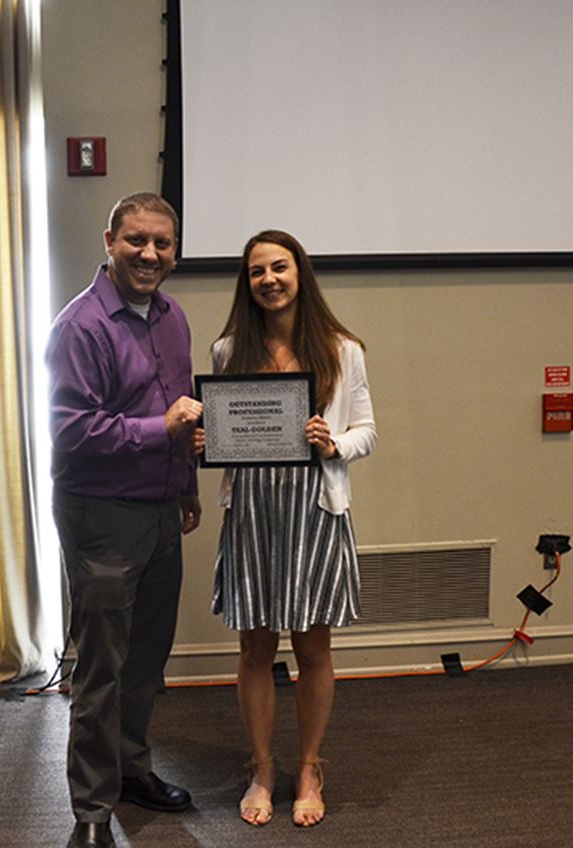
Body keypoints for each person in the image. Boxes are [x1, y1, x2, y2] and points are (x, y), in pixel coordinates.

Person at [193, 229, 376, 828]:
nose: (268, 280)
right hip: (252, 513)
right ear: (246, 283)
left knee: (313, 647)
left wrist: (333, 443)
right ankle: (263, 768)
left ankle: (309, 766)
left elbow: (367, 431)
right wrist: (207, 441)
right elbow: (225, 431)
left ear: (300, 274)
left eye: (279, 268)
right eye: (257, 272)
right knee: (255, 648)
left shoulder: (342, 350)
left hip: (314, 513)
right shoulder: (228, 350)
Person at [46, 192, 204, 848]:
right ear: (109, 241)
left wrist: (187, 485)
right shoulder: (80, 326)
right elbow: (71, 432)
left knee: (145, 659)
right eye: (136, 240)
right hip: (102, 515)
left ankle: (131, 770)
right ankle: (90, 811)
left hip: (161, 510)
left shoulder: (172, 317)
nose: (149, 254)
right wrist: (158, 429)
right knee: (102, 667)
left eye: (162, 243)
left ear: (175, 251)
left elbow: (184, 412)